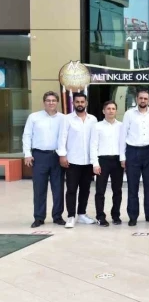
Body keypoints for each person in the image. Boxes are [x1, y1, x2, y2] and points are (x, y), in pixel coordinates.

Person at [120, 89, 149, 226]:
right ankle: (133, 216)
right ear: (136, 99)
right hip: (133, 152)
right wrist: (122, 156)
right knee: (132, 186)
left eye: (145, 98)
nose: (143, 100)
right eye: (141, 98)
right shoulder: (129, 114)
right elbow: (123, 135)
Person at [24, 91, 66, 228]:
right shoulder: (34, 117)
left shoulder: (63, 118)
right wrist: (27, 154)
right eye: (48, 100)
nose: (51, 103)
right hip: (39, 156)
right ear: (44, 102)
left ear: (57, 102)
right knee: (39, 188)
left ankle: (57, 216)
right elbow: (27, 135)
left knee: (58, 188)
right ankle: (39, 217)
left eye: (53, 100)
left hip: (57, 156)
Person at [57, 92, 97, 229]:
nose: (80, 104)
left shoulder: (93, 119)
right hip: (72, 161)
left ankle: (82, 214)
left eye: (82, 102)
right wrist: (62, 155)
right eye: (77, 102)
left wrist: (95, 160)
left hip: (88, 161)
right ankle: (71, 216)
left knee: (85, 189)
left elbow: (95, 140)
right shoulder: (67, 119)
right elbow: (62, 138)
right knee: (71, 189)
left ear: (86, 103)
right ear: (73, 103)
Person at [91, 101, 124, 227]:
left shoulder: (121, 126)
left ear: (116, 111)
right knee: (100, 191)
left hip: (117, 161)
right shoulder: (97, 126)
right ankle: (100, 217)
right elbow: (93, 145)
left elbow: (123, 144)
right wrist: (95, 163)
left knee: (117, 190)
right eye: (108, 108)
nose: (111, 111)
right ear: (103, 111)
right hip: (102, 161)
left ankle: (116, 215)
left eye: (113, 108)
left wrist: (124, 159)